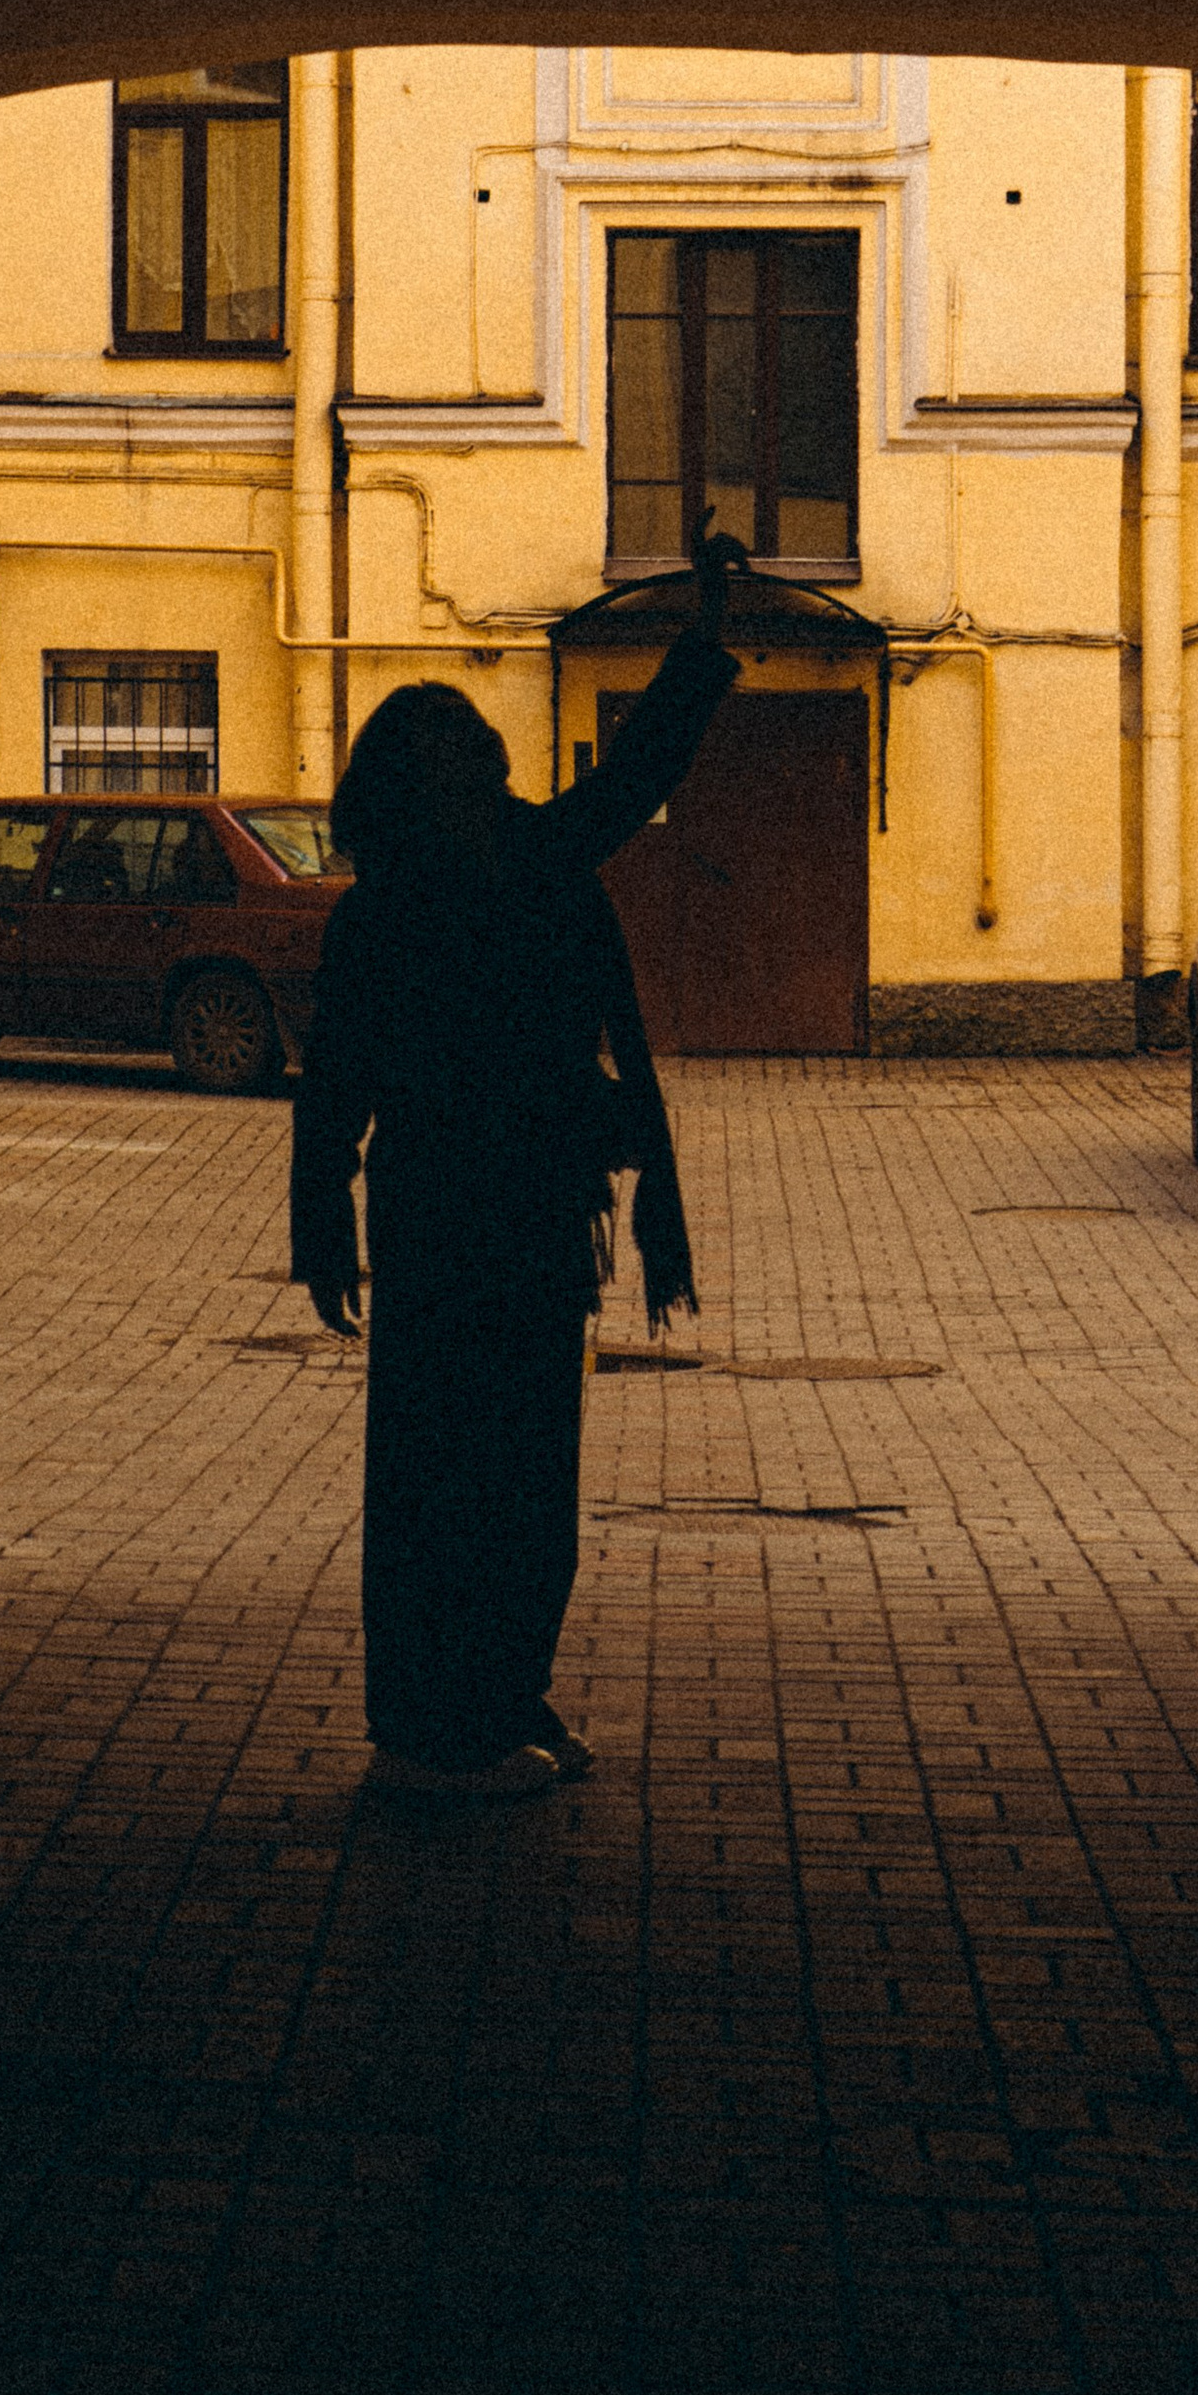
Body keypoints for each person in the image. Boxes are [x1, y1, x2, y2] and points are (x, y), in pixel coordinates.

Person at [291, 525, 748, 1799]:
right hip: (529, 1221)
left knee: (431, 1476)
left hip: (434, 1222)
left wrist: (322, 1229)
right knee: (519, 1479)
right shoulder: (533, 861)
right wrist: (703, 629)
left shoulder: (379, 909)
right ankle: (477, 1715)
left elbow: (332, 1088)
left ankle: (452, 1712)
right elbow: (641, 766)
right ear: (474, 779)